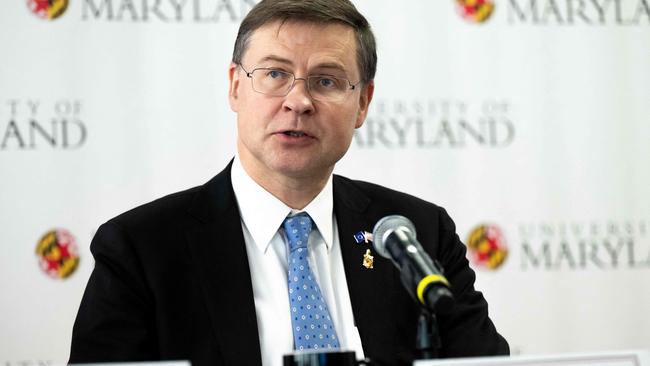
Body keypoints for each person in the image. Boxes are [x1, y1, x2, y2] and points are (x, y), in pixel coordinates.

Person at [69, 0, 509, 365]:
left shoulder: (415, 233)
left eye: (326, 81)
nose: (298, 102)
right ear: (235, 87)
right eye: (275, 74)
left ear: (363, 104)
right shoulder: (141, 248)